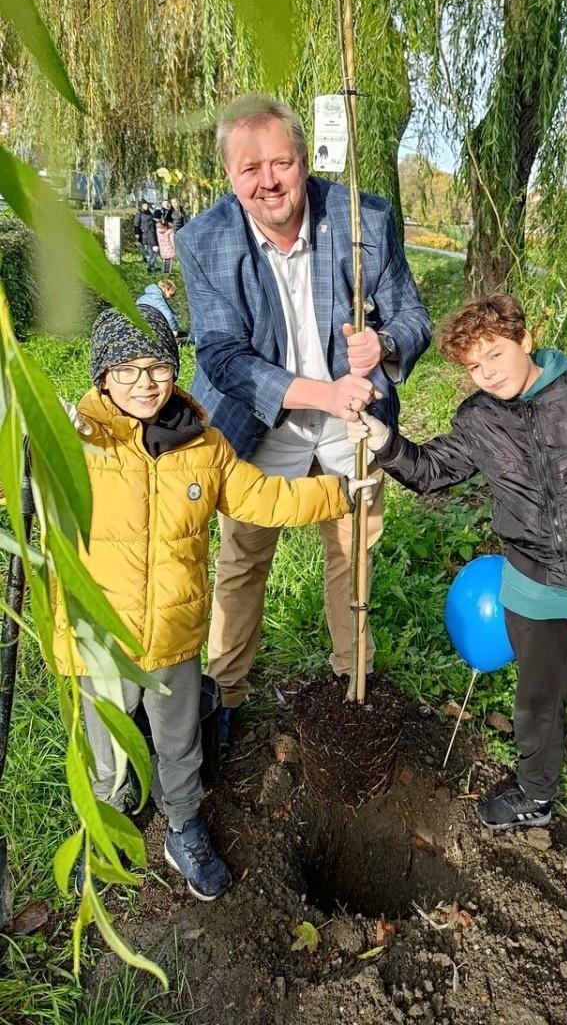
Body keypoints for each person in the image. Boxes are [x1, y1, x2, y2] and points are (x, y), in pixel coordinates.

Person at [348, 293, 567, 892]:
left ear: (526, 340)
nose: (488, 373)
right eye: (474, 365)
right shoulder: (479, 419)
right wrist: (384, 440)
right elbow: (430, 471)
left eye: (495, 354)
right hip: (530, 588)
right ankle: (536, 795)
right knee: (536, 703)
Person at [52, 306, 355, 901]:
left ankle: (184, 826)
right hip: (103, 639)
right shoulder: (75, 441)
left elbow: (263, 498)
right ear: (103, 377)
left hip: (174, 633)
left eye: (158, 367)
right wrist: (23, 439)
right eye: (127, 369)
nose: (145, 383)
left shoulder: (204, 444)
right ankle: (108, 824)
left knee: (180, 741)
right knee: (108, 750)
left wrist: (340, 491)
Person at [176, 93, 430, 744]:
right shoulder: (205, 240)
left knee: (353, 550)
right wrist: (323, 392)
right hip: (261, 420)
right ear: (229, 175)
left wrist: (384, 343)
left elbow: (412, 317)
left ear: (303, 160)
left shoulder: (364, 219)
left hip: (353, 423)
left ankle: (354, 678)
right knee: (243, 559)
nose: (268, 181)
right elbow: (223, 358)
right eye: (249, 169)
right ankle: (227, 691)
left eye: (281, 163)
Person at [133, 200, 158, 272]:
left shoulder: (151, 213)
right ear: (141, 206)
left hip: (151, 234)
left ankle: (151, 266)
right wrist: (137, 234)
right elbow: (136, 225)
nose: (146, 206)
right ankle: (148, 266)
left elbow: (154, 223)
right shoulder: (139, 214)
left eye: (147, 205)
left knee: (152, 251)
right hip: (143, 234)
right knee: (146, 251)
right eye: (144, 205)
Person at [155, 209, 177, 275]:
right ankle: (168, 271)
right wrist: (174, 248)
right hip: (169, 246)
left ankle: (165, 270)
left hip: (162, 246)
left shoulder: (158, 229)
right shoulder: (170, 231)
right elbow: (172, 240)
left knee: (165, 259)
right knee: (169, 260)